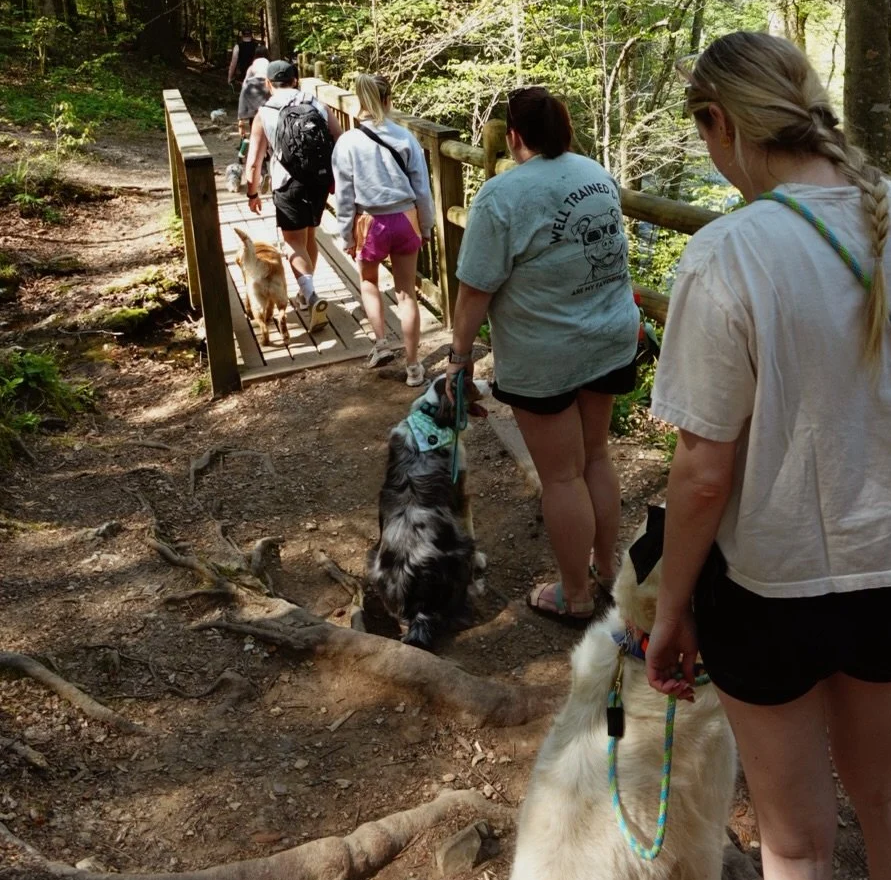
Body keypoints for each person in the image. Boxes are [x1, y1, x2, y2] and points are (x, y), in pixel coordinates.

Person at [642, 32, 891, 880]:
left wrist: (669, 607)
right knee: (890, 796)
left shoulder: (728, 254)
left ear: (719, 122)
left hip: (770, 589)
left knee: (796, 841)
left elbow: (701, 474)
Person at [444, 86, 639, 622]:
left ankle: (575, 595)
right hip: (611, 334)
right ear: (565, 128)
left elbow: (475, 290)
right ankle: (605, 568)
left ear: (513, 136)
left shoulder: (501, 196)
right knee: (596, 454)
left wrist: (459, 359)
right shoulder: (595, 174)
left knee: (562, 476)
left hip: (547, 352)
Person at [332, 74, 435, 387]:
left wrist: (346, 235)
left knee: (369, 282)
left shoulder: (347, 142)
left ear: (359, 101)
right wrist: (426, 225)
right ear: (388, 99)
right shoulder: (404, 137)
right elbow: (422, 188)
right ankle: (414, 365)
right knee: (407, 293)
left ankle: (381, 344)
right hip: (405, 218)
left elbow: (344, 195)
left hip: (369, 221)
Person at [244, 60, 342, 330]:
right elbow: (340, 137)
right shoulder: (316, 103)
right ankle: (304, 292)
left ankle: (310, 296)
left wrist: (252, 192)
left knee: (293, 243)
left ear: (268, 84)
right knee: (310, 234)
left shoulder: (265, 112)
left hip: (288, 183)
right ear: (295, 79)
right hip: (320, 180)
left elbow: (253, 162)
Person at [236, 53, 270, 138]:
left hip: (254, 119)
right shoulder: (271, 84)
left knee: (255, 137)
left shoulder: (248, 84)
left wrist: (241, 122)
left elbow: (242, 102)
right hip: (270, 119)